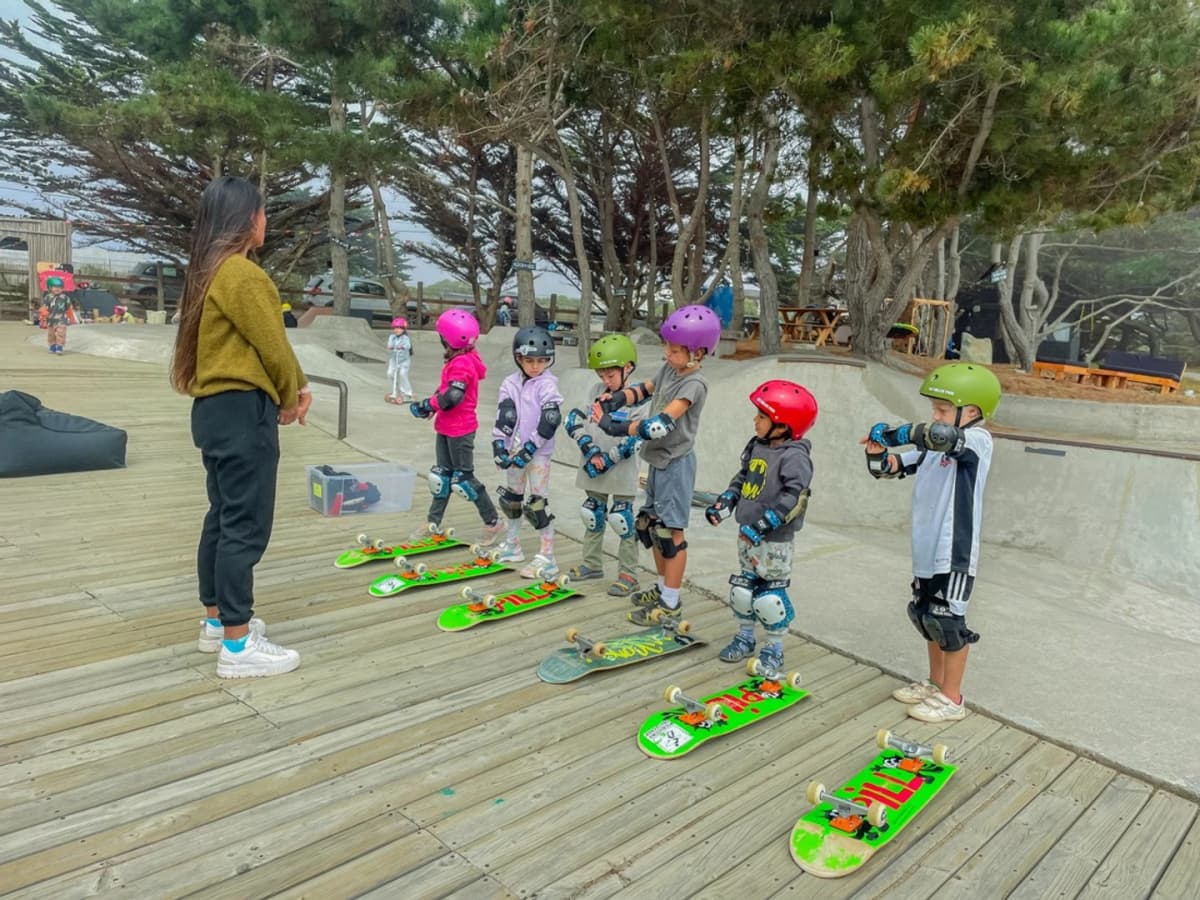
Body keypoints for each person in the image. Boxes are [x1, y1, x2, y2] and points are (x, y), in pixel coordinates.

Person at [170, 175, 309, 679]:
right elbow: (274, 347)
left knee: (223, 517)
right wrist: (294, 397)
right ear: (246, 220)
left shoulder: (208, 273)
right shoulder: (244, 275)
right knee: (246, 528)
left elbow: (263, 346)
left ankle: (217, 622)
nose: (265, 220)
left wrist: (297, 388)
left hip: (211, 410)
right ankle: (237, 644)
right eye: (262, 211)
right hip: (241, 409)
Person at [862, 362, 1001, 722]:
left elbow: (938, 436)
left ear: (970, 412)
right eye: (934, 409)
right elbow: (887, 468)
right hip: (924, 550)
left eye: (941, 410)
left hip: (952, 551)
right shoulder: (930, 450)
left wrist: (895, 433)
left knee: (949, 622)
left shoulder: (977, 441)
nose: (934, 416)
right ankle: (936, 684)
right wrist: (877, 450)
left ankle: (953, 699)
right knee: (926, 618)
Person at [592, 304, 721, 624]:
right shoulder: (670, 369)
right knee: (648, 526)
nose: (667, 353)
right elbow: (645, 389)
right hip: (658, 461)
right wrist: (619, 398)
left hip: (676, 464)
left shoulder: (695, 384)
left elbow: (659, 425)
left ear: (698, 353)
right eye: (667, 346)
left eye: (675, 350)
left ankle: (672, 603)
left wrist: (617, 427)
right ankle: (663, 588)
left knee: (670, 534)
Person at [705, 380, 817, 671]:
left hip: (775, 541)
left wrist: (765, 525)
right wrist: (727, 501)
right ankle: (745, 638)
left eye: (762, 416)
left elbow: (795, 498)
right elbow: (743, 479)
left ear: (783, 424)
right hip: (746, 535)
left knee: (769, 596)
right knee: (743, 589)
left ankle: (774, 649)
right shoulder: (758, 446)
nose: (755, 420)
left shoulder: (795, 456)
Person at [410, 309, 505, 545]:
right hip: (445, 427)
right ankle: (433, 522)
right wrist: (433, 406)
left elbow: (453, 396)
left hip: (460, 429)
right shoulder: (462, 357)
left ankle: (493, 521)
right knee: (441, 477)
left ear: (447, 337)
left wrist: (426, 404)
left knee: (463, 479)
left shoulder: (462, 362)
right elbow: (445, 390)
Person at [563, 333, 645, 597]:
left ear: (628, 368)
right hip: (593, 464)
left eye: (610, 375)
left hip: (621, 469)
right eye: (602, 376)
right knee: (592, 514)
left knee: (623, 520)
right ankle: (592, 563)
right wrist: (591, 450)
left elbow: (638, 437)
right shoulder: (596, 391)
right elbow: (577, 419)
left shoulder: (639, 398)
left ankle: (628, 574)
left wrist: (608, 459)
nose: (605, 381)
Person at [491, 326, 564, 578]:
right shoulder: (510, 382)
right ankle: (513, 545)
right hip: (514, 451)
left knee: (537, 504)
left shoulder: (548, 384)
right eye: (529, 360)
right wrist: (499, 444)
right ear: (518, 358)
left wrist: (530, 447)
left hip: (538, 453)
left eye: (541, 361)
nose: (536, 366)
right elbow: (505, 414)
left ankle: (547, 557)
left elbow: (551, 418)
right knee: (512, 499)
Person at [386, 316, 414, 403]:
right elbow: (389, 345)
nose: (396, 330)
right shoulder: (392, 337)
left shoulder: (405, 338)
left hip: (404, 361)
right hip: (394, 360)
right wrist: (390, 346)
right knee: (390, 373)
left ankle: (407, 393)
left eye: (399, 328)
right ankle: (396, 391)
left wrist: (402, 346)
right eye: (395, 328)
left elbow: (408, 346)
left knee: (402, 374)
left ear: (403, 329)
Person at [43, 276, 73, 354]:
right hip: (50, 319)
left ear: (62, 288)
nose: (57, 289)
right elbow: (44, 308)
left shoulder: (65, 297)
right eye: (55, 287)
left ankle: (59, 347)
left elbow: (69, 308)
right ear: (49, 288)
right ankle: (52, 346)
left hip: (61, 319)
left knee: (61, 333)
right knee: (51, 334)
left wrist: (71, 318)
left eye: (59, 287)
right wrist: (43, 318)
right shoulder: (47, 297)